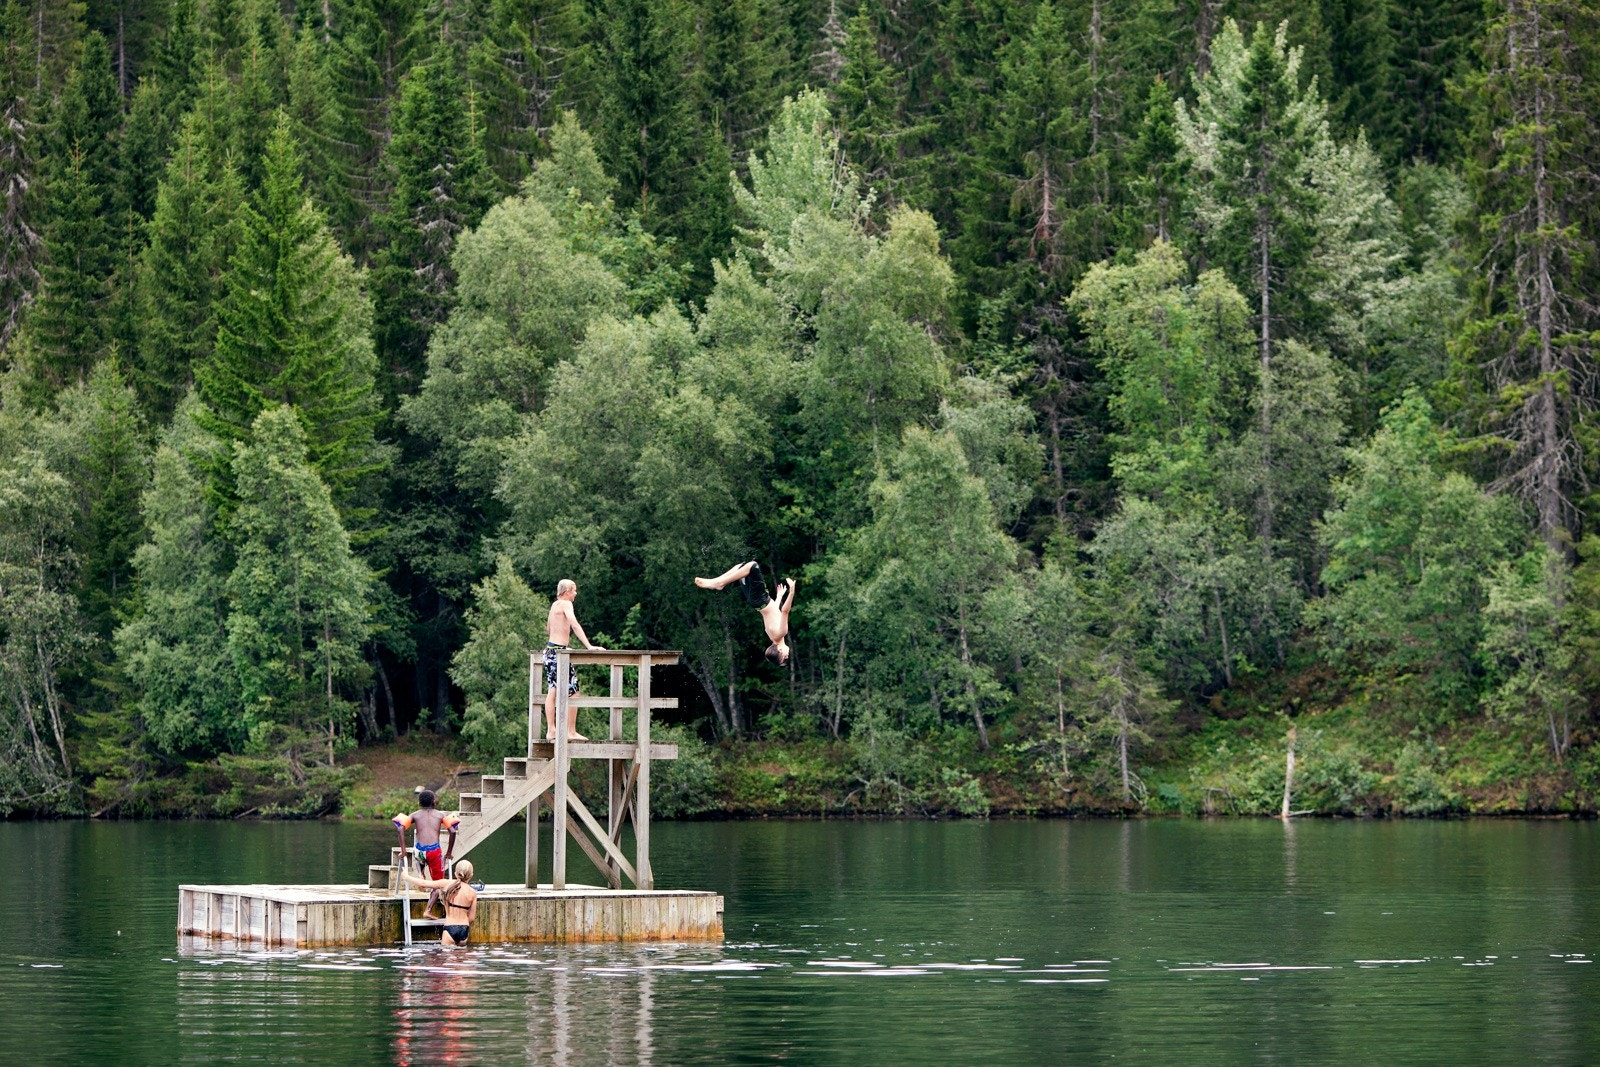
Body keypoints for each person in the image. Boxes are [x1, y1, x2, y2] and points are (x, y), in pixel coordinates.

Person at [694, 561, 795, 665]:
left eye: (785, 657)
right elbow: (774, 613)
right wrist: (779, 597)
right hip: (756, 602)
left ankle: (719, 583)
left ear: (780, 651)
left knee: (752, 566)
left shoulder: (782, 632)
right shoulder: (773, 636)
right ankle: (718, 582)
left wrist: (791, 592)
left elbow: (785, 611)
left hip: (761, 599)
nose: (788, 656)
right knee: (741, 567)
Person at [544, 579, 603, 740]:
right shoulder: (566, 604)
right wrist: (589, 646)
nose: (576, 593)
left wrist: (562, 644)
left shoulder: (554, 605)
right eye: (574, 590)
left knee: (555, 690)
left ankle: (552, 730)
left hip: (551, 650)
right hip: (558, 654)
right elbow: (574, 624)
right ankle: (568, 731)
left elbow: (548, 628)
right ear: (567, 591)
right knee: (570, 692)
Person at [395, 790, 457, 919]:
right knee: (438, 884)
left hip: (419, 851)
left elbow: (400, 828)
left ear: (419, 803)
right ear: (434, 802)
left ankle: (420, 873)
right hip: (434, 852)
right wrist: (449, 853)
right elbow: (452, 832)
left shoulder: (415, 815)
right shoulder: (440, 815)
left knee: (419, 855)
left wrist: (404, 850)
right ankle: (428, 910)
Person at [404, 859, 479, 946]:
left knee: (445, 957)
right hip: (464, 929)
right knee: (461, 957)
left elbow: (423, 883)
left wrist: (407, 877)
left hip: (450, 927)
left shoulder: (447, 884)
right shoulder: (473, 893)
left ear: (455, 873)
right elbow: (472, 918)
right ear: (471, 875)